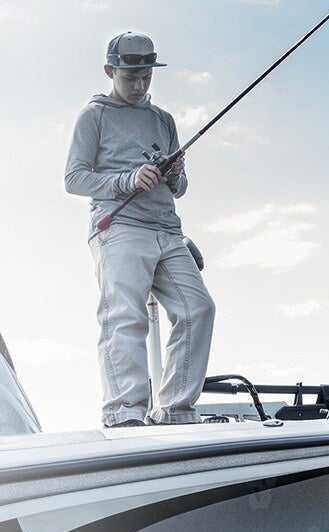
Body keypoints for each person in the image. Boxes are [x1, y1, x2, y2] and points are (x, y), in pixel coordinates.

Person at [65, 32, 215, 428]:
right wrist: (126, 181)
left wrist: (175, 174)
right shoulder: (94, 115)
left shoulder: (163, 120)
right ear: (110, 70)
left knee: (198, 308)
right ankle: (124, 413)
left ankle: (175, 411)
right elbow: (74, 178)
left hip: (168, 230)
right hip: (120, 228)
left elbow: (179, 190)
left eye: (146, 76)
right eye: (130, 76)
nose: (139, 85)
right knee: (124, 316)